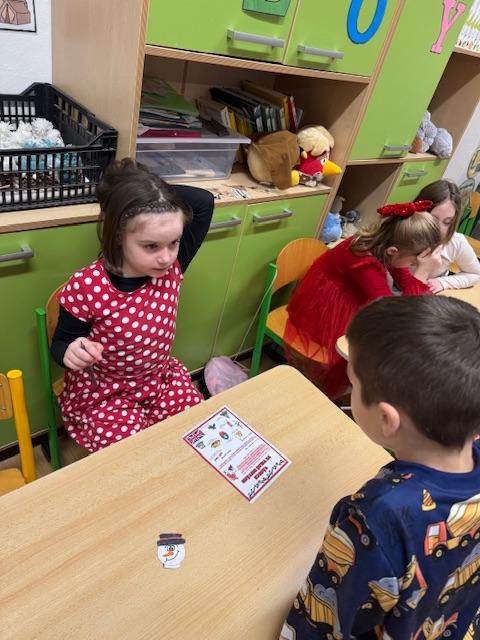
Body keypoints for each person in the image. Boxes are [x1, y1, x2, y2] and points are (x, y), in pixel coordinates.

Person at [279, 295, 480, 640]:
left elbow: (323, 618)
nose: (351, 389)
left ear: (387, 419)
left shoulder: (375, 517)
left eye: (354, 383)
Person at [51, 158, 214, 452]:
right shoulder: (86, 286)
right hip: (105, 395)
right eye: (151, 246)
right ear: (118, 234)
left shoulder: (173, 266)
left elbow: (203, 201)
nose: (166, 257)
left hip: (159, 380)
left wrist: (154, 192)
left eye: (174, 242)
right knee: (133, 456)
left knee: (196, 434)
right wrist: (71, 352)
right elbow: (61, 344)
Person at [284, 201, 442, 399]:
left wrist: (419, 277)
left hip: (345, 301)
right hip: (322, 309)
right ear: (393, 251)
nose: (413, 266)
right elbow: (392, 318)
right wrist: (422, 274)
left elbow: (403, 280)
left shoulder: (385, 243)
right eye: (413, 262)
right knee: (372, 349)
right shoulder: (364, 260)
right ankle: (323, 397)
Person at [415, 179, 480, 293]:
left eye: (447, 222)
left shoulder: (456, 241)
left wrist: (443, 282)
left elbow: (476, 274)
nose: (439, 229)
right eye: (433, 220)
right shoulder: (401, 233)